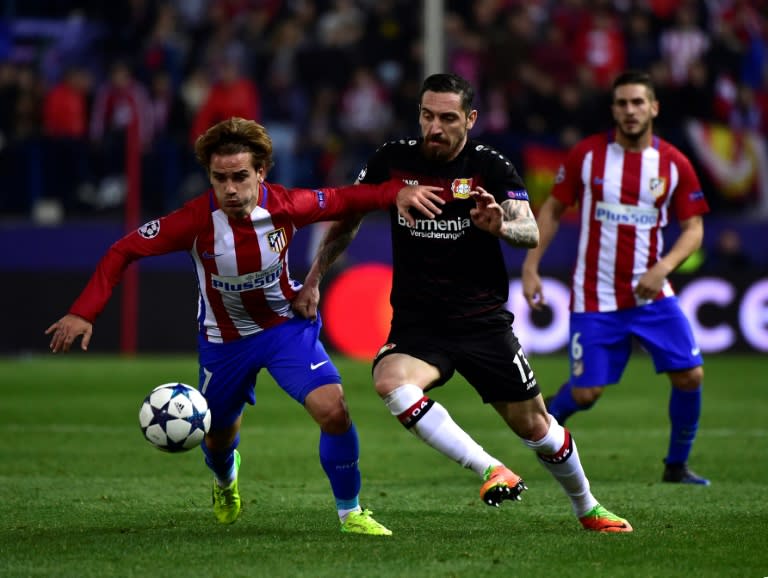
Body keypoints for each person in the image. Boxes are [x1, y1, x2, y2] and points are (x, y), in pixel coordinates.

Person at [45, 116, 443, 535]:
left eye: (239, 176)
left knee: (334, 410)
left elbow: (348, 199)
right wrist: (84, 311)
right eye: (220, 179)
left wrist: (397, 191)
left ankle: (351, 513)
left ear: (261, 172)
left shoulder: (288, 205)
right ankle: (225, 478)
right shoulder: (194, 222)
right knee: (216, 438)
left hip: (285, 327)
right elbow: (122, 250)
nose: (230, 189)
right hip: (225, 342)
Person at [295, 73, 632, 532]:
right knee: (391, 381)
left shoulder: (491, 167)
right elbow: (347, 219)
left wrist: (500, 227)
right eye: (427, 116)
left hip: (482, 322)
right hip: (419, 324)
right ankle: (490, 468)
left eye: (448, 118)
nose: (435, 127)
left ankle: (588, 506)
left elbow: (529, 230)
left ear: (470, 119)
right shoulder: (392, 160)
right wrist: (314, 278)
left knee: (537, 427)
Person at [521, 70, 711, 485]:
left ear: (654, 108)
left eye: (638, 102)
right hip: (595, 296)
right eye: (622, 103)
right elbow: (552, 209)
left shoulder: (674, 163)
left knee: (690, 375)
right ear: (613, 109)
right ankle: (549, 419)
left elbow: (694, 228)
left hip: (653, 295)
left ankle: (676, 466)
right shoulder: (587, 156)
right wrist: (531, 266)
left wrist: (662, 268)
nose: (630, 111)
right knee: (587, 393)